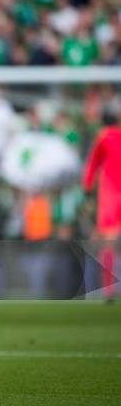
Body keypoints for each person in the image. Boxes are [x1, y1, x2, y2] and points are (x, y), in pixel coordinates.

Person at [83, 112, 121, 301]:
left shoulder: (103, 137)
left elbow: (92, 165)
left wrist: (87, 189)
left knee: (108, 244)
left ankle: (108, 289)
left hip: (111, 198)